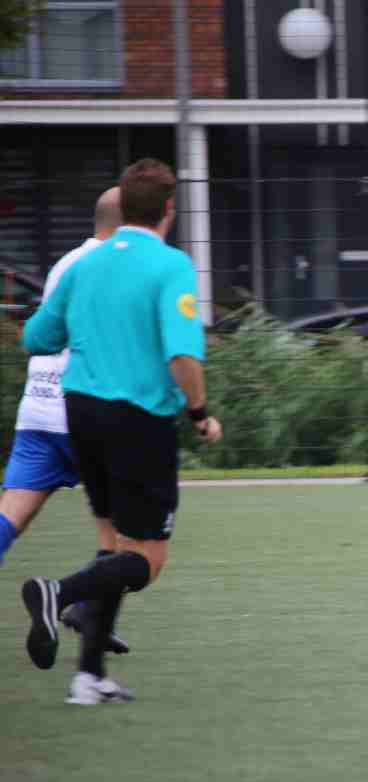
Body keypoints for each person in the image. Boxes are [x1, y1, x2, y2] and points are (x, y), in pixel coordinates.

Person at [19, 158, 222, 704]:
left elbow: (36, 338)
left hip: (80, 414)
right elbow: (182, 354)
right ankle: (57, 593)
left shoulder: (84, 264)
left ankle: (89, 678)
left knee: (114, 543)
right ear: (168, 210)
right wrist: (200, 413)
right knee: (147, 560)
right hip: (136, 419)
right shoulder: (172, 266)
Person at [1, 188, 131, 654]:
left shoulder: (66, 263)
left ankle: (92, 612)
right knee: (125, 538)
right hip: (83, 409)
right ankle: (85, 608)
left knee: (11, 515)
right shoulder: (116, 264)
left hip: (37, 407)